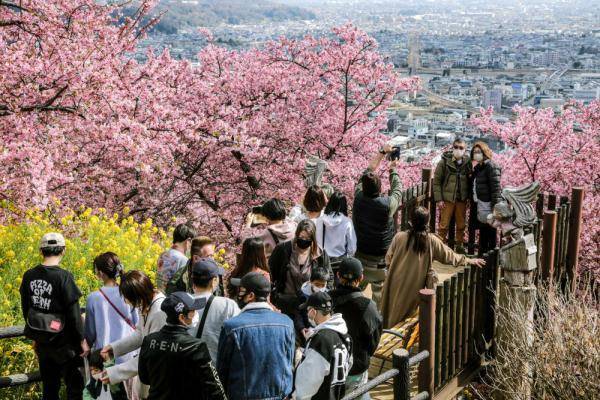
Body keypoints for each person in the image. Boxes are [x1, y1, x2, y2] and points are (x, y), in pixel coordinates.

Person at [381, 207, 486, 328]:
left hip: (394, 282)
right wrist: (469, 260)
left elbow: (388, 259)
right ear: (427, 222)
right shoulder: (431, 241)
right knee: (405, 319)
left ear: (411, 221)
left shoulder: (399, 237)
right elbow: (450, 256)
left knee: (391, 312)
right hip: (413, 287)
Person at [19, 232, 87, 400]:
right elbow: (74, 315)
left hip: (42, 344)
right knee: (74, 389)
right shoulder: (64, 277)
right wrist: (82, 341)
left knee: (49, 390)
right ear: (63, 250)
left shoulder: (29, 275)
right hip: (66, 346)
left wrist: (36, 335)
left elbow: (26, 309)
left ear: (41, 251)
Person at [217, 272, 295, 400]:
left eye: (241, 290)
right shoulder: (287, 323)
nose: (238, 294)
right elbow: (288, 362)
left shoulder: (231, 326)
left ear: (251, 296)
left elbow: (222, 371)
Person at [138, 292, 227, 400]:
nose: (196, 314)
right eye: (193, 312)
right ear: (182, 318)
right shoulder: (196, 347)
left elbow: (144, 378)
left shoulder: (149, 340)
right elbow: (214, 387)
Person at [101, 271, 167, 399]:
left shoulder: (160, 312)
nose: (126, 301)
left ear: (138, 294)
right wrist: (114, 348)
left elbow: (150, 355)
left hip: (158, 382)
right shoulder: (148, 303)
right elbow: (139, 334)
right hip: (150, 378)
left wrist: (115, 373)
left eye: (127, 297)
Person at [353, 145, 402, 308]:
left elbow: (369, 169)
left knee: (353, 294)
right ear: (380, 188)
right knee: (379, 299)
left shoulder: (358, 197)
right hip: (381, 259)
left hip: (361, 255)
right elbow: (397, 191)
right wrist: (393, 170)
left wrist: (381, 152)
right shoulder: (387, 205)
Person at [84, 252, 138, 396]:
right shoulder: (129, 292)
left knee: (106, 396)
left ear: (101, 274)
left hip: (105, 359)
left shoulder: (94, 298)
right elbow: (137, 323)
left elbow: (90, 333)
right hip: (128, 357)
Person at [329, 258, 382, 399]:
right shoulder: (368, 306)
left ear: (338, 275)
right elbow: (374, 341)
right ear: (361, 278)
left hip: (330, 366)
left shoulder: (326, 301)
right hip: (356, 367)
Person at [294, 292, 353, 400]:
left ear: (313, 311)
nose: (307, 314)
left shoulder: (321, 340)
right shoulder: (345, 335)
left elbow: (308, 381)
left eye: (308, 310)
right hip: (336, 393)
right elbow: (349, 363)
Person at [269, 219, 332, 317]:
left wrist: (324, 293)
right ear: (296, 234)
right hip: (285, 301)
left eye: (308, 238)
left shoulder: (319, 254)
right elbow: (271, 272)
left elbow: (329, 276)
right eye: (302, 237)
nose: (304, 240)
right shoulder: (283, 249)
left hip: (310, 304)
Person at [189, 259, 240, 362]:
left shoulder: (182, 301)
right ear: (214, 281)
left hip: (185, 368)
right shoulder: (227, 305)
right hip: (213, 370)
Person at [433, 138, 472, 253]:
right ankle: (440, 248)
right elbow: (437, 181)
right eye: (456, 147)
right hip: (447, 199)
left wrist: (468, 197)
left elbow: (471, 182)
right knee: (443, 225)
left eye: (461, 148)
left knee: (461, 225)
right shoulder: (444, 162)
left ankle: (459, 246)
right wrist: (439, 199)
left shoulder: (468, 163)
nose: (458, 150)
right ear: (452, 147)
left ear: (465, 150)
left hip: (462, 199)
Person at [471, 141, 502, 255]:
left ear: (485, 152)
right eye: (474, 152)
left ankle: (490, 262)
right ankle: (483, 259)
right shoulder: (479, 167)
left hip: (489, 205)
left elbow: (496, 190)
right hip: (481, 205)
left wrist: (495, 209)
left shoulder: (491, 166)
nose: (476, 154)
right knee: (483, 234)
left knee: (491, 234)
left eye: (479, 152)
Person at [316, 191, 357, 277]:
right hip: (340, 261)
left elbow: (318, 242)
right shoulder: (347, 222)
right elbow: (352, 247)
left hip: (324, 260)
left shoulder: (320, 220)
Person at [156, 223, 196, 293]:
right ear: (188, 241)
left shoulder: (163, 255)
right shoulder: (183, 260)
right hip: (173, 300)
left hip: (159, 297)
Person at [295, 267, 330, 339]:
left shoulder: (328, 295)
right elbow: (298, 313)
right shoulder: (302, 294)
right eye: (317, 284)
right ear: (310, 281)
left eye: (323, 285)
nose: (320, 288)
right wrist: (301, 327)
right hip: (306, 328)